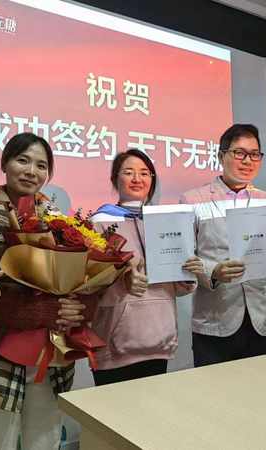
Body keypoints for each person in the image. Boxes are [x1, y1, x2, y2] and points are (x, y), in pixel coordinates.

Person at [0, 132, 86, 450]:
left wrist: (78, 309)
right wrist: (48, 311)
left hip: (49, 359)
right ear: (5, 164)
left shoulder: (62, 226)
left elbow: (82, 284)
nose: (31, 171)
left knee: (44, 443)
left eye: (41, 165)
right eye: (22, 160)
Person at [180, 124, 266, 367]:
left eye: (254, 154)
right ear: (221, 156)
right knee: (215, 389)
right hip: (214, 321)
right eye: (239, 153)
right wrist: (213, 272)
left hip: (260, 319)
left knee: (260, 388)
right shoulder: (193, 200)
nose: (248, 160)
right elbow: (186, 257)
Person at [90, 149, 203, 385]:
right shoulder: (99, 222)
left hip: (159, 339)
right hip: (115, 345)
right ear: (115, 178)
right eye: (128, 172)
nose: (137, 179)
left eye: (144, 173)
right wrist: (122, 281)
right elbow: (89, 286)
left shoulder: (166, 221)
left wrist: (187, 274)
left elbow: (177, 287)